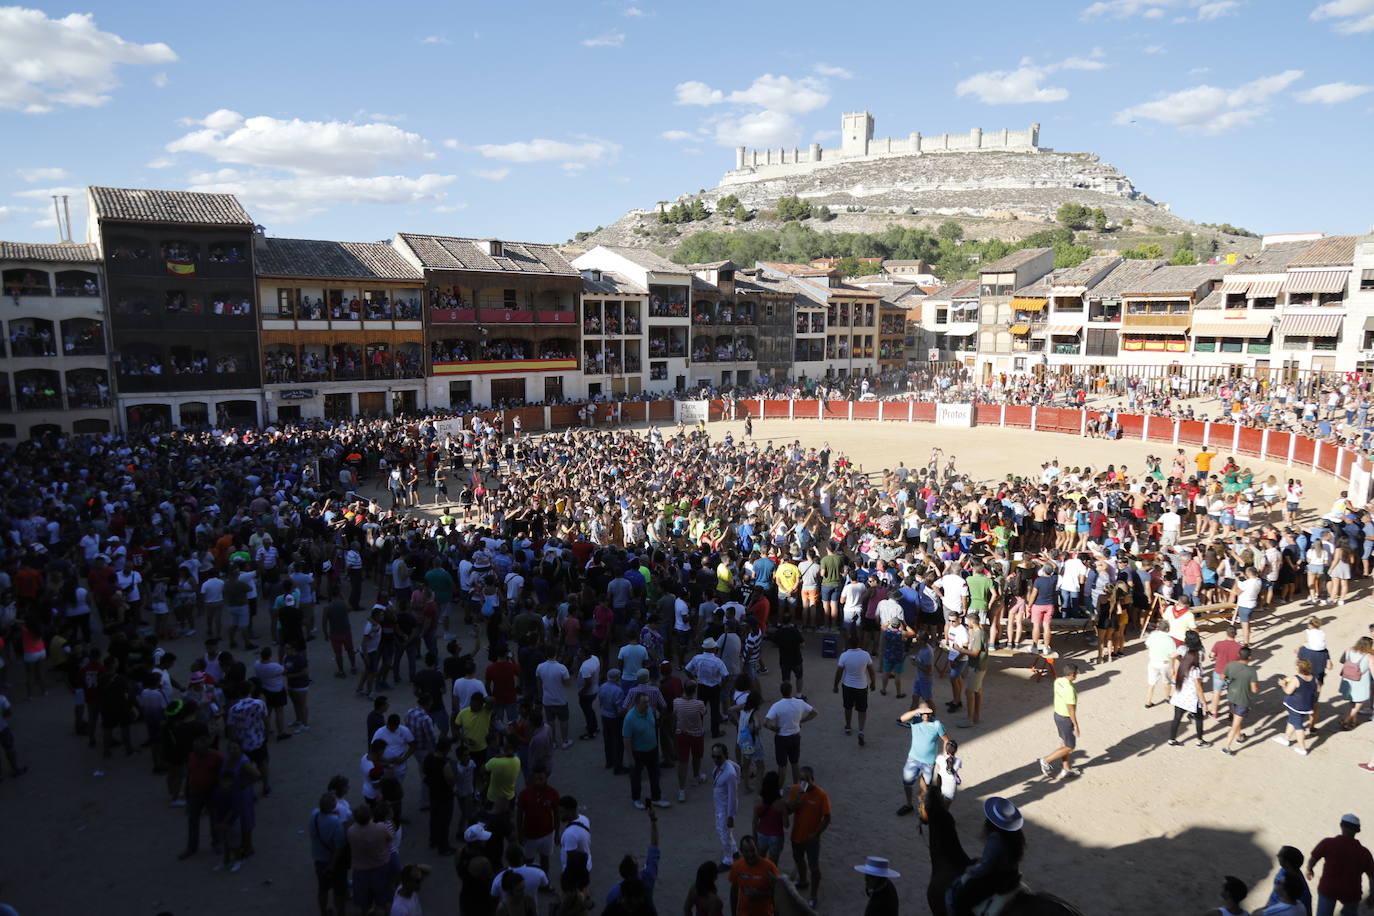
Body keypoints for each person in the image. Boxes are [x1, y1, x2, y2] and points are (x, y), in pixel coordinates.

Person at [947, 797, 1026, 915]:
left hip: (997, 878)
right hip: (1012, 874)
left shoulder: (996, 837)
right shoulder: (1016, 834)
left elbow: (986, 866)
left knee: (960, 898)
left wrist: (971, 871)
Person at [1307, 814, 1374, 916]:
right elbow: (1372, 877)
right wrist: (1372, 896)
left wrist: (1309, 869)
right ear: (1357, 831)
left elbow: (1313, 859)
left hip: (1328, 889)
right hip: (1352, 892)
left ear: (1341, 826)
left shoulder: (1328, 843)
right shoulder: (1364, 853)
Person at [785, 765, 831, 909]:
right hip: (797, 835)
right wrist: (796, 801)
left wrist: (817, 833)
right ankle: (803, 881)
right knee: (798, 859)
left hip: (812, 839)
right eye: (801, 780)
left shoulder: (821, 795)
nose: (803, 783)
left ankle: (813, 896)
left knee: (814, 867)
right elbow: (789, 811)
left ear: (813, 779)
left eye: (806, 780)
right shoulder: (795, 790)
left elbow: (827, 817)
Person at [895, 698, 947, 817]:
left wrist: (943, 757)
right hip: (913, 759)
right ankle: (909, 805)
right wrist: (917, 710)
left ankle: (924, 807)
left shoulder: (937, 724)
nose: (926, 715)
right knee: (907, 783)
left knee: (926, 787)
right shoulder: (915, 720)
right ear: (919, 712)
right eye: (924, 712)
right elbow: (901, 719)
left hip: (928, 763)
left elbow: (946, 740)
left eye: (929, 712)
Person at [605, 807, 660, 910]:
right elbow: (654, 844)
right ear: (637, 868)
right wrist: (653, 819)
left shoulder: (614, 892)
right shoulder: (648, 877)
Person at [623, 691, 670, 809]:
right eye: (644, 702)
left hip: (652, 750)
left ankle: (656, 798)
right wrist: (630, 758)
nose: (647, 704)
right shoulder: (630, 718)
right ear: (637, 703)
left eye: (648, 701)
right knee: (636, 777)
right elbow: (626, 739)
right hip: (638, 752)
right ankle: (636, 799)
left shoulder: (649, 711)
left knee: (654, 775)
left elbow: (654, 722)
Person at [763, 681, 816, 784]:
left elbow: (765, 723)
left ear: (781, 692)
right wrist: (802, 720)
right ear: (791, 691)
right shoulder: (799, 703)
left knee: (782, 765)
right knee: (795, 763)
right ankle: (796, 786)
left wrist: (774, 728)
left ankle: (781, 789)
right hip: (795, 737)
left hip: (782, 738)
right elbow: (814, 713)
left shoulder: (777, 706)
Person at [1037, 661, 1082, 779]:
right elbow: (1071, 709)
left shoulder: (1058, 681)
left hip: (1057, 715)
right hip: (1065, 718)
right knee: (1070, 747)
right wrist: (1076, 725)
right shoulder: (1070, 690)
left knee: (1064, 742)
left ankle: (1066, 769)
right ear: (1072, 675)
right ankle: (1045, 760)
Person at [1167, 630, 1210, 748]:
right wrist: (1204, 703)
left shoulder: (1182, 665)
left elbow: (1172, 657)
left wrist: (1176, 665)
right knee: (1199, 719)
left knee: (1176, 718)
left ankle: (1172, 739)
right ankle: (1199, 740)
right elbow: (1199, 689)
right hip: (1192, 697)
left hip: (1180, 693)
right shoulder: (1197, 665)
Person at [833, 634, 876, 745]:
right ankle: (861, 730)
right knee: (862, 709)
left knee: (848, 707)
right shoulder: (865, 655)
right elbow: (871, 670)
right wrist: (873, 682)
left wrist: (835, 685)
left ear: (848, 644)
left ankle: (848, 726)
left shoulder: (844, 656)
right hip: (861, 686)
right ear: (859, 643)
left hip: (847, 685)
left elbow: (839, 672)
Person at [1272, 659, 1317, 756]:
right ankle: (1286, 739)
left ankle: (1302, 748)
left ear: (1300, 668)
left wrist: (1283, 685)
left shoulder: (1296, 679)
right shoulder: (1313, 677)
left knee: (1298, 726)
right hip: (1306, 705)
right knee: (1292, 720)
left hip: (1296, 706)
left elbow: (1288, 691)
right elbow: (1317, 688)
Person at [727, 834, 779, 916]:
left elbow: (777, 893)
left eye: (752, 850)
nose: (750, 855)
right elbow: (734, 893)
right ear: (741, 851)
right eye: (746, 851)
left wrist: (760, 894)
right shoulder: (736, 867)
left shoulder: (770, 867)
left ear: (757, 848)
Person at [1221, 646, 1259, 756]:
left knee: (1236, 720)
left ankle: (1239, 737)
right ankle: (1227, 746)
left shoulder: (1230, 665)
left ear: (1239, 655)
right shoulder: (1251, 671)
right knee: (1235, 723)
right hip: (1243, 700)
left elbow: (1222, 677)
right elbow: (1254, 689)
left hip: (1231, 696)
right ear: (1250, 657)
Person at [710, 741, 741, 867]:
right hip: (720, 806)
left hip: (725, 808)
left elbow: (732, 797)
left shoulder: (729, 774)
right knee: (724, 831)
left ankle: (728, 860)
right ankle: (734, 850)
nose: (716, 760)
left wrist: (730, 816)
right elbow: (738, 768)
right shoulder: (728, 766)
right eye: (714, 756)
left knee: (724, 833)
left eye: (719, 757)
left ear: (725, 755)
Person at [1266, 846, 1313, 916]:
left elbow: (1306, 911)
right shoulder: (1283, 870)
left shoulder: (1301, 891)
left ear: (1287, 863)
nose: (1277, 855)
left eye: (1280, 855)